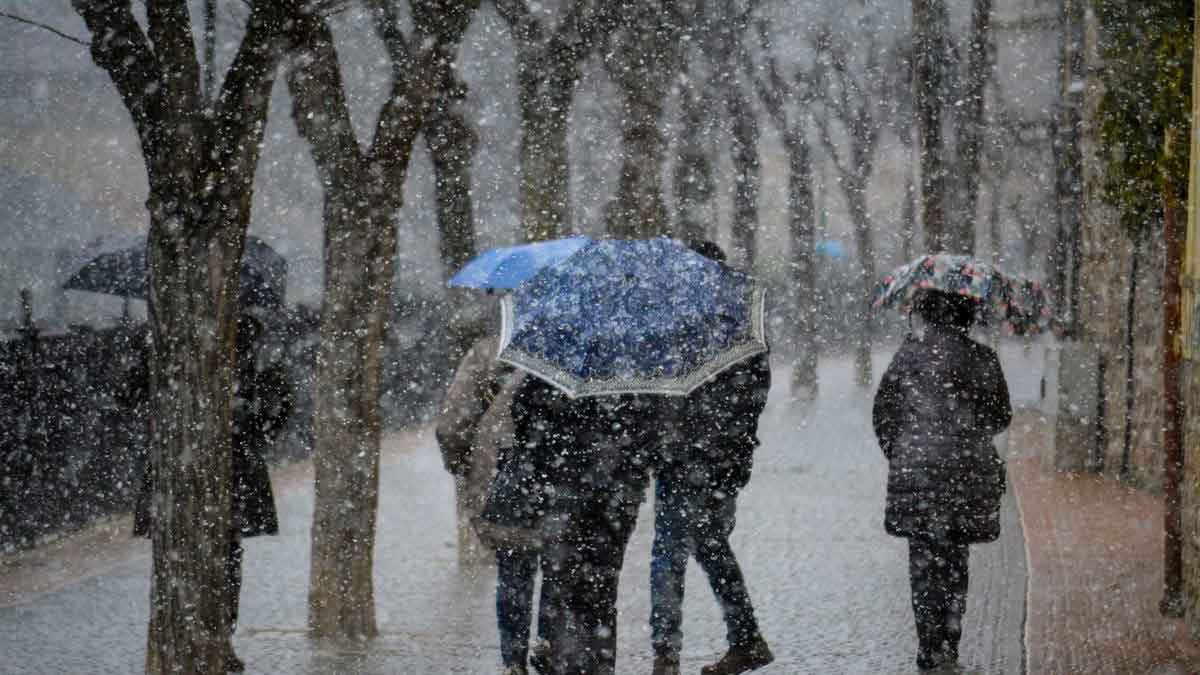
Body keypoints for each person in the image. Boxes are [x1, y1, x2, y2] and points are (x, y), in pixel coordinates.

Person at [133, 311, 293, 673]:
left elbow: (130, 393)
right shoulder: (244, 338)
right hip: (221, 463)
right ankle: (214, 636)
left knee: (210, 551)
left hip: (198, 461)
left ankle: (208, 637)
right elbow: (279, 408)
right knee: (221, 553)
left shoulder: (178, 332)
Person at [648, 240, 774, 675]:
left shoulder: (677, 327)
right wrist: (732, 441)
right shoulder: (742, 325)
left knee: (669, 551)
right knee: (710, 546)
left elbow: (664, 396)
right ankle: (746, 638)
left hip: (685, 458)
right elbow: (757, 391)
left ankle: (666, 655)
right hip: (725, 460)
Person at [872, 290, 1012, 672]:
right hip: (965, 474)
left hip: (917, 474)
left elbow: (883, 415)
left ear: (926, 315)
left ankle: (928, 647)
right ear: (968, 317)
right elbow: (1001, 417)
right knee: (955, 559)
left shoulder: (908, 355)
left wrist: (903, 452)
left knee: (923, 561)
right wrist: (968, 433)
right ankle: (949, 645)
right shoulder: (982, 358)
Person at [501, 376, 656, 675]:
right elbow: (650, 434)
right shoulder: (635, 373)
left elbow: (522, 419)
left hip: (564, 493)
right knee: (602, 588)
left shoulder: (552, 366)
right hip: (615, 499)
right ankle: (599, 665)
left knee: (564, 587)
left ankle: (568, 663)